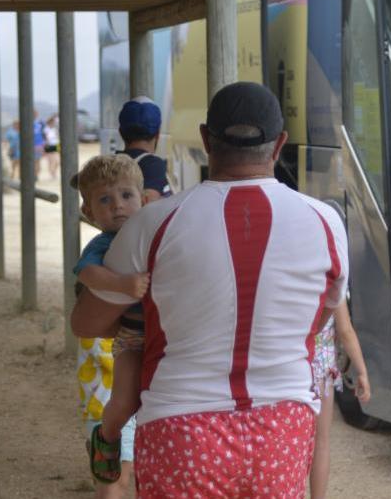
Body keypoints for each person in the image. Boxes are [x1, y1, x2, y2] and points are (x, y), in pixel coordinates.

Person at [71, 81, 349, 498]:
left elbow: (86, 323)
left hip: (179, 429)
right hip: (282, 428)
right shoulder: (326, 222)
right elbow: (320, 318)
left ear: (205, 140)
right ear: (280, 145)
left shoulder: (153, 223)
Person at [71, 155, 151, 493]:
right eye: (105, 200)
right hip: (131, 339)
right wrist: (122, 285)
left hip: (164, 340)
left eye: (126, 196)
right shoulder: (103, 245)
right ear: (90, 213)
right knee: (122, 401)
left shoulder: (152, 235)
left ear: (143, 199)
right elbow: (87, 272)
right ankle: (107, 437)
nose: (117, 206)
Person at [308, 304, 371, 499]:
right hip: (321, 369)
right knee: (321, 442)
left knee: (288, 440)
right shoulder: (331, 276)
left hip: (290, 367)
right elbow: (345, 330)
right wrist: (362, 372)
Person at [116, 97, 171, 200]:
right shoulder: (154, 165)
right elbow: (150, 210)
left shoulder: (109, 165)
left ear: (120, 132)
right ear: (158, 134)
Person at [44, 114, 61, 180]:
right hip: (49, 145)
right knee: (51, 161)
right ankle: (52, 174)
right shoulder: (46, 129)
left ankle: (54, 172)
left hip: (56, 145)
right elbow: (46, 138)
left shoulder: (55, 129)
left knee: (57, 161)